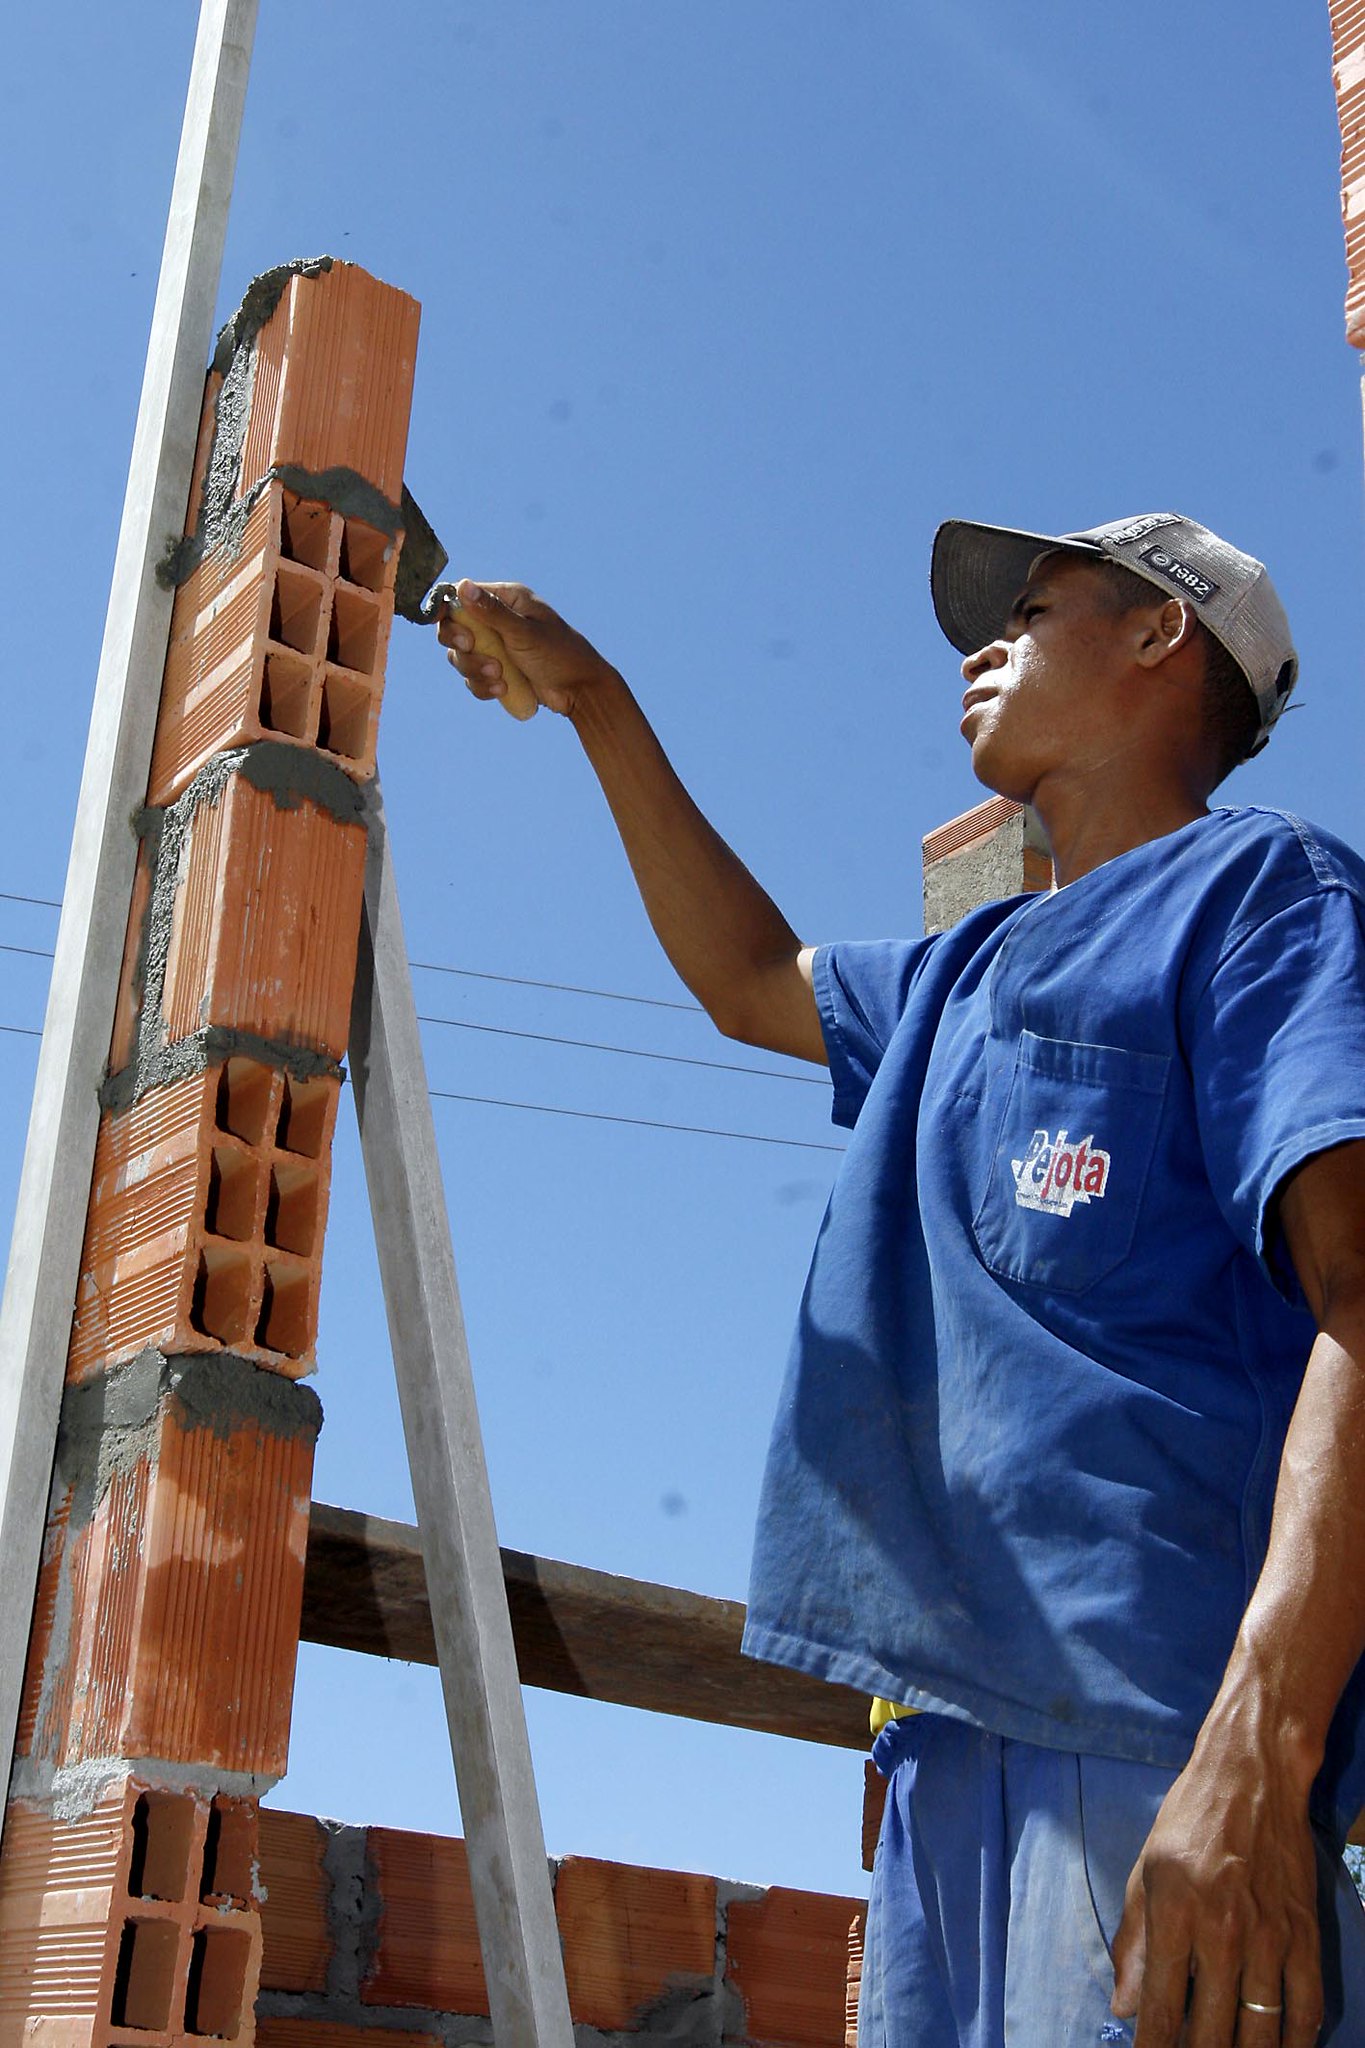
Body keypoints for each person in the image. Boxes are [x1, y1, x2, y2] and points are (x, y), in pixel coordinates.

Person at [437, 511, 1365, 2047]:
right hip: (945, 1746)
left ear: (1159, 636)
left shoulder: (1263, 897)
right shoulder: (956, 975)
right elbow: (747, 982)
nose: (980, 644)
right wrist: (596, 696)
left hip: (1156, 1730)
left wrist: (1256, 1760)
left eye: (1033, 607)